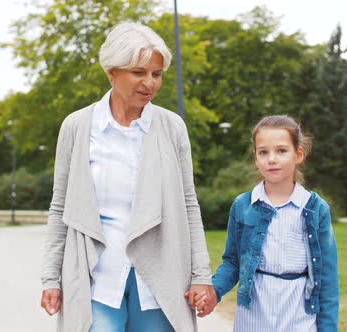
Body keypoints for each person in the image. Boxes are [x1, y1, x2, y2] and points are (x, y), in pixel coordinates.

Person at [40, 21, 215, 332]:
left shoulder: (172, 127)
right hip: (97, 278)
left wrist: (201, 274)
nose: (149, 83)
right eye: (139, 72)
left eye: (156, 74)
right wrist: (51, 278)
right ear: (112, 72)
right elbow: (60, 208)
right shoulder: (77, 127)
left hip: (159, 279)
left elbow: (188, 204)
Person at [198, 115, 339, 331]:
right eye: (263, 152)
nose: (271, 159)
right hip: (254, 315)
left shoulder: (315, 208)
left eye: (281, 151)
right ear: (255, 157)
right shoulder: (243, 205)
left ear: (298, 154)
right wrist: (213, 291)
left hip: (298, 316)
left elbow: (327, 279)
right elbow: (233, 262)